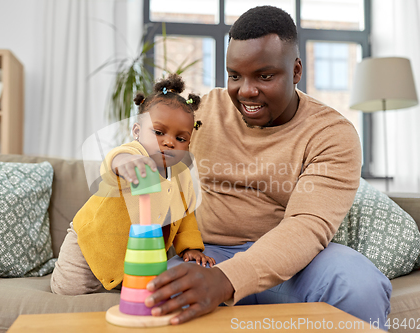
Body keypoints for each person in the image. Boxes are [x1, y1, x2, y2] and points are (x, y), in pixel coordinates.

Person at [143, 6, 392, 330]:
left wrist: (226, 279)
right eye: (235, 75)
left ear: (296, 70)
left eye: (264, 76)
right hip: (207, 253)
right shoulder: (202, 112)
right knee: (155, 290)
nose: (246, 90)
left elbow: (306, 225)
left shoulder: (331, 133)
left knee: (359, 284)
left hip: (295, 261)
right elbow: (148, 165)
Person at [50, 74, 215, 295]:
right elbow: (115, 160)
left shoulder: (181, 174)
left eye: (181, 138)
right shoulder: (135, 155)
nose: (169, 142)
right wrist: (125, 163)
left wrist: (191, 248)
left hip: (138, 254)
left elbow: (184, 215)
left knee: (139, 296)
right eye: (158, 132)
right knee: (67, 290)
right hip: (92, 246)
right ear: (137, 132)